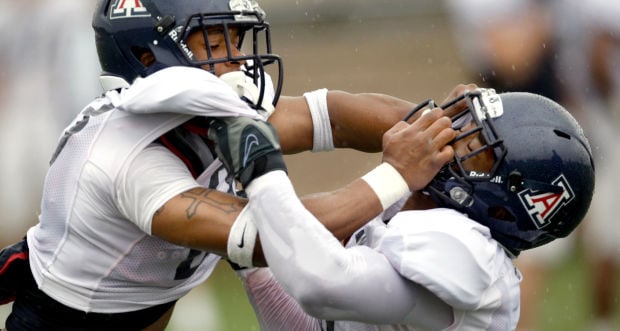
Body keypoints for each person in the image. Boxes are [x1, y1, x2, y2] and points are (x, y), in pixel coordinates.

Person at [0, 0, 475, 329]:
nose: (238, 58)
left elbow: (332, 115)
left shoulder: (201, 101)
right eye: (214, 41)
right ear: (148, 54)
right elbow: (282, 238)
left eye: (235, 36)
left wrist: (441, 124)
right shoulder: (127, 159)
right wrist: (398, 173)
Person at [215, 89, 596, 330]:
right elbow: (316, 325)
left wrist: (262, 177)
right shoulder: (422, 207)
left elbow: (320, 284)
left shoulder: (470, 254)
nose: (456, 134)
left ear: (506, 203)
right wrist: (254, 264)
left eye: (477, 144)